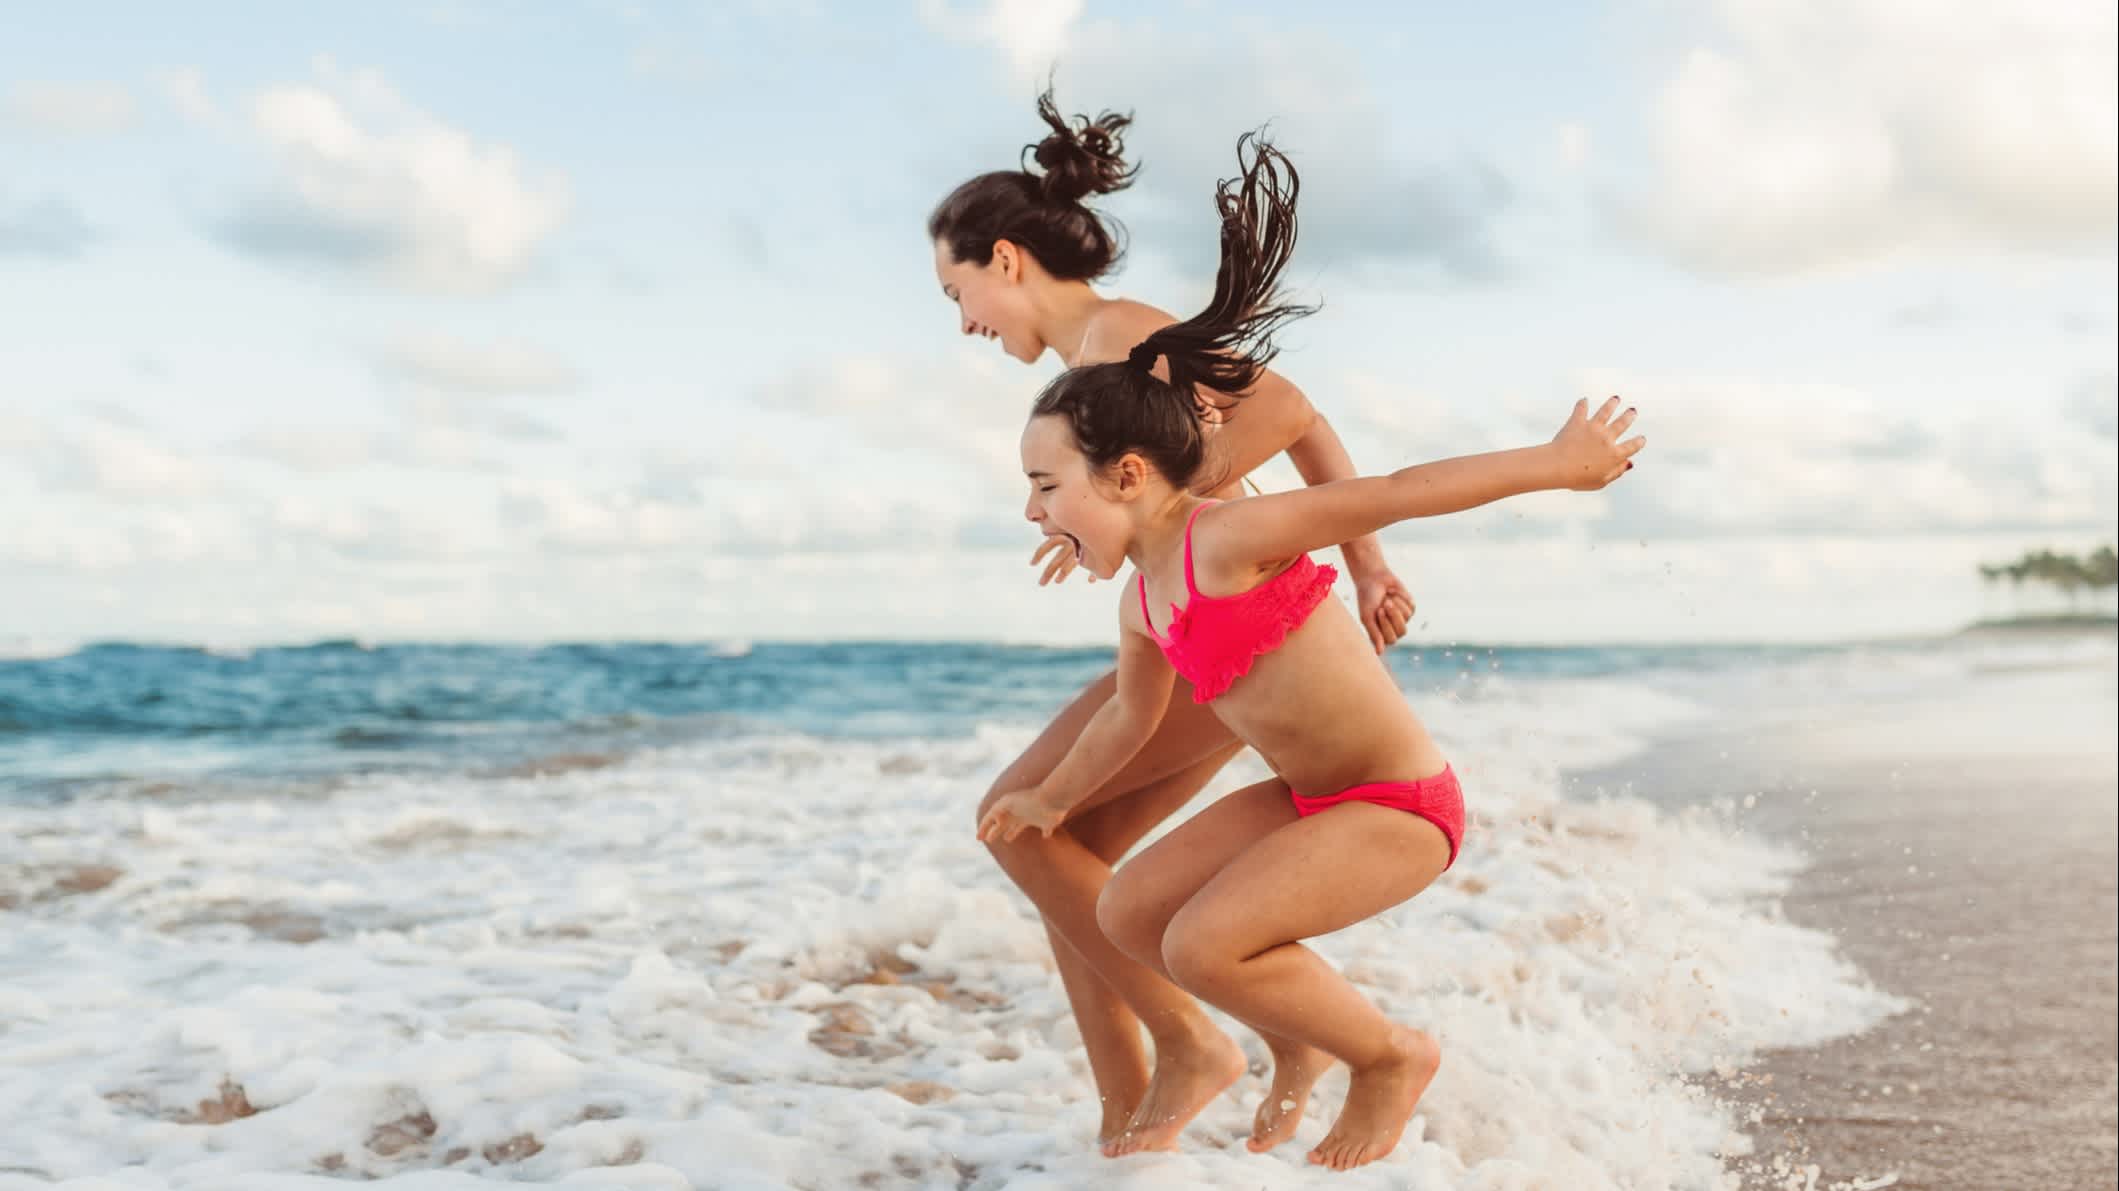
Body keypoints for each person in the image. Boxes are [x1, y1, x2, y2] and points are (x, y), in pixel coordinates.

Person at [976, 133, 1645, 1169]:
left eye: (1046, 487)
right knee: (1128, 906)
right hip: (1308, 800)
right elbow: (1128, 718)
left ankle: (1386, 1056)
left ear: (1124, 476)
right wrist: (1051, 800)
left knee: (1202, 942)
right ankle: (1295, 1043)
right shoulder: (1147, 604)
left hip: (1395, 806)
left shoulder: (1225, 539)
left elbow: (1393, 491)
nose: (1030, 510)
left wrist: (1556, 466)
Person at [930, 89, 1416, 1149]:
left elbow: (1292, 415)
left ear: (1006, 260)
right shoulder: (1090, 360)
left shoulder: (1121, 336)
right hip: (1203, 632)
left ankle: (1197, 1046)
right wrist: (1111, 513)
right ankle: (1142, 1099)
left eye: (959, 290)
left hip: (1225, 634)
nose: (964, 319)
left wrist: (1365, 561)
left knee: (1017, 818)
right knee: (1075, 850)